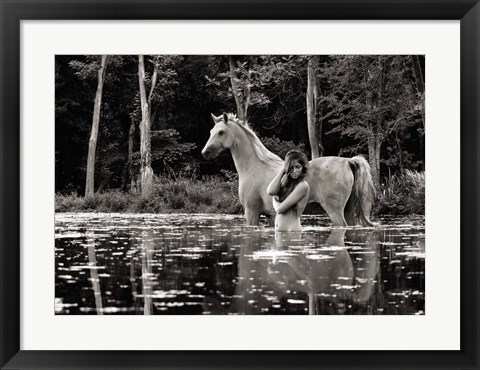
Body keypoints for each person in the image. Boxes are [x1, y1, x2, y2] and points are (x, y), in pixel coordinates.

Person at [267, 150, 310, 232]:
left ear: (303, 168)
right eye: (291, 167)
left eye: (298, 167)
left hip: (291, 233)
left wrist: (274, 200)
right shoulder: (285, 183)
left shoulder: (303, 186)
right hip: (282, 234)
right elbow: (270, 191)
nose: (294, 171)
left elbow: (280, 209)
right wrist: (283, 171)